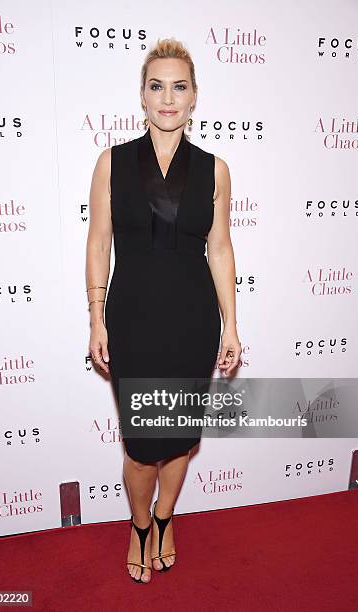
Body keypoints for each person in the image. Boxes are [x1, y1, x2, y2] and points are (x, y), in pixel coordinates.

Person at [86, 37, 241, 583]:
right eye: (157, 86)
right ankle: (138, 524)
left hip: (192, 320)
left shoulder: (215, 169)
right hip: (131, 318)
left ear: (195, 97)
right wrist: (95, 316)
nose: (168, 98)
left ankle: (166, 516)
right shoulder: (113, 162)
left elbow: (219, 248)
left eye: (179, 86)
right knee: (141, 443)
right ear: (143, 97)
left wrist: (231, 325)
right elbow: (98, 243)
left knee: (179, 436)